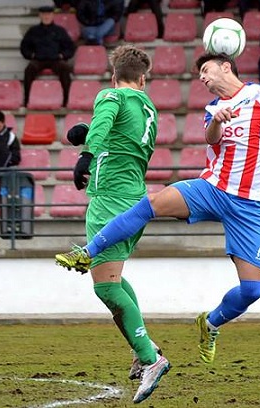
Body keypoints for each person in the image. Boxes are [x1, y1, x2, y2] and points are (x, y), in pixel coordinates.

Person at [55, 53, 260, 365]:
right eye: (199, 72)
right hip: (212, 188)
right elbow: (211, 139)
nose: (201, 77)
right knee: (152, 203)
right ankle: (88, 252)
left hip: (250, 204)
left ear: (226, 66)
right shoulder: (212, 108)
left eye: (205, 69)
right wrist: (217, 120)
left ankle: (210, 324)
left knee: (252, 290)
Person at [56, 45, 170, 404]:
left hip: (110, 200)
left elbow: (106, 123)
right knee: (114, 278)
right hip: (135, 199)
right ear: (143, 77)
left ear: (114, 76)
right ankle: (144, 347)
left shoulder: (110, 94)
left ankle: (152, 359)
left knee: (105, 288)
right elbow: (122, 137)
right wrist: (89, 133)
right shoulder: (148, 106)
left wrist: (86, 154)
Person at [20, 5, 75, 107]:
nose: (46, 17)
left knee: (65, 68)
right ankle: (27, 99)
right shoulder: (33, 31)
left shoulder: (60, 31)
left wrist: (63, 55)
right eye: (44, 14)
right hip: (38, 60)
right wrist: (30, 55)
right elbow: (24, 47)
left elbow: (70, 47)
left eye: (49, 14)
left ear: (53, 15)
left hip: (56, 60)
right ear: (40, 16)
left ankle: (66, 100)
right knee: (29, 69)